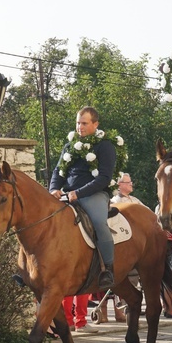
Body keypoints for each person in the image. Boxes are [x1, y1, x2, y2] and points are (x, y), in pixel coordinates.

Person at [49, 106, 116, 289]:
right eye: (78, 123)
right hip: (67, 194)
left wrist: (78, 193)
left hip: (94, 194)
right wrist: (54, 188)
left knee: (99, 222)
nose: (80, 127)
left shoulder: (105, 146)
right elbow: (58, 171)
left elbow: (104, 178)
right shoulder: (69, 146)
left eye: (84, 123)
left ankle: (108, 269)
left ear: (96, 124)